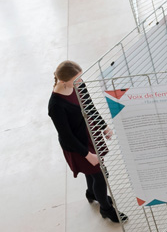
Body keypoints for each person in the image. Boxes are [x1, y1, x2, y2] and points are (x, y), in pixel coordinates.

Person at [48, 61, 127, 223]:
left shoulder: (79, 85)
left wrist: (103, 126)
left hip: (88, 134)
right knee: (99, 175)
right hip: (76, 146)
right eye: (76, 79)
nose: (80, 81)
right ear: (63, 82)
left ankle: (91, 193)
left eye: (80, 77)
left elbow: (89, 106)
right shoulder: (56, 105)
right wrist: (87, 154)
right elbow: (66, 136)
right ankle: (106, 209)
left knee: (92, 172)